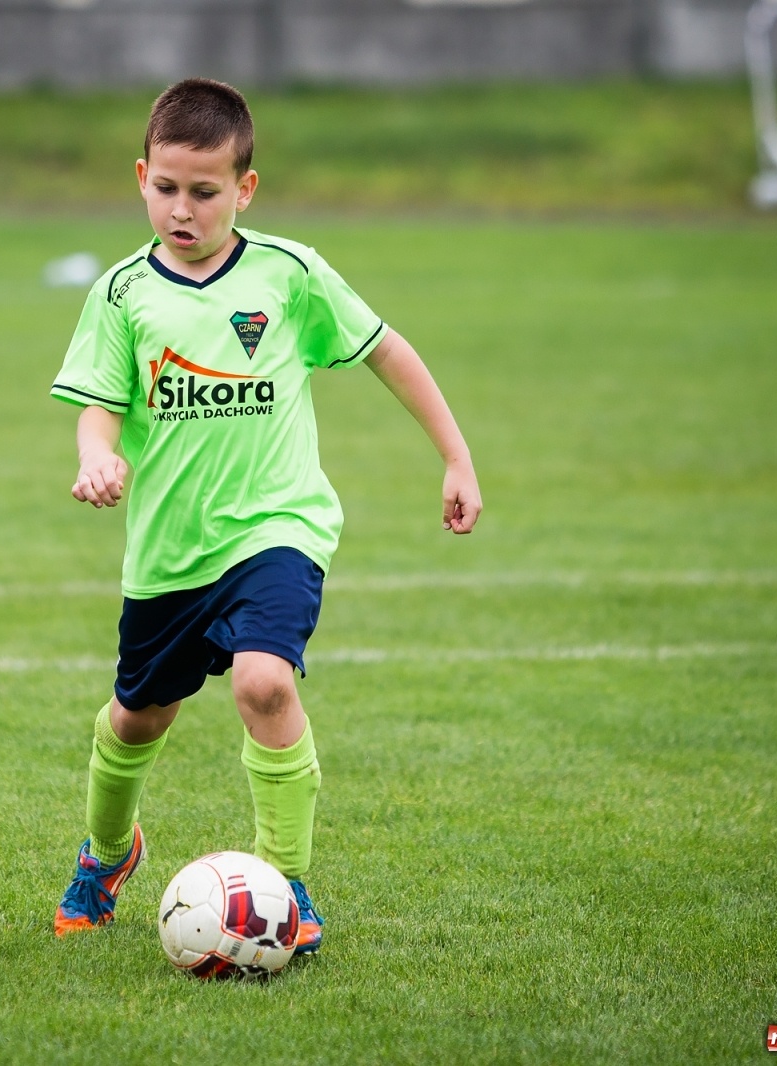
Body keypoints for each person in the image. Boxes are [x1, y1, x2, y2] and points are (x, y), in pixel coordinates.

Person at [48, 78, 483, 954]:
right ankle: (106, 854)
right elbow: (97, 404)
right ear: (142, 177)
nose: (183, 209)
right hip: (170, 553)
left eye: (205, 192)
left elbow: (386, 351)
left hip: (277, 528)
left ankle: (285, 885)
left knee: (264, 682)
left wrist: (455, 454)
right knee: (137, 719)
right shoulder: (123, 293)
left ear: (244, 189)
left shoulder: (289, 274)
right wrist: (97, 455)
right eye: (167, 188)